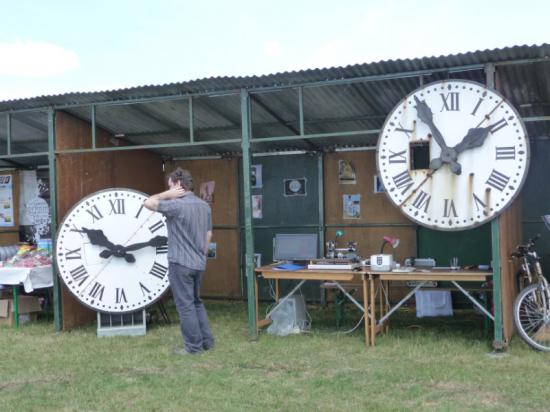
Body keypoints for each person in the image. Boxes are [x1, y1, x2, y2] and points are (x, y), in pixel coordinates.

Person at [144, 168, 215, 355]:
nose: (168, 190)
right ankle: (207, 342)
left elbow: (148, 202)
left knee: (186, 306)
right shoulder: (204, 206)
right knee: (197, 302)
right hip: (198, 263)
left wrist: (167, 194)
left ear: (177, 185)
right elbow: (209, 233)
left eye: (170, 185)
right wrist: (202, 254)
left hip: (180, 263)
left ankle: (193, 348)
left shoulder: (176, 205)